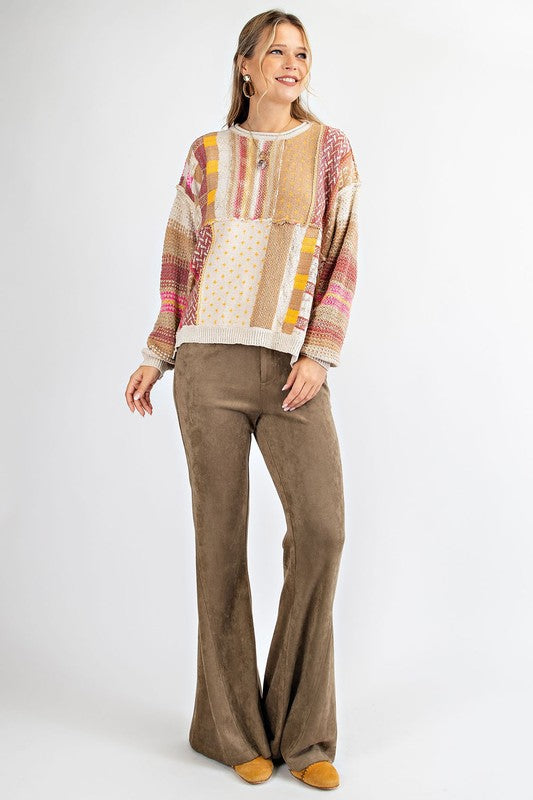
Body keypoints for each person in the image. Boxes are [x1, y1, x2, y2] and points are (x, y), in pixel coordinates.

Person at [125, 9, 361, 791]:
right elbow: (178, 254)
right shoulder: (207, 153)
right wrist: (158, 352)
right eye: (277, 52)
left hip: (292, 368)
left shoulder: (329, 150)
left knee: (321, 531)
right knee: (219, 546)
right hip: (207, 367)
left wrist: (319, 354)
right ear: (245, 66)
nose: (292, 64)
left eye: (302, 54)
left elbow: (342, 256)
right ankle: (227, 733)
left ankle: (304, 732)